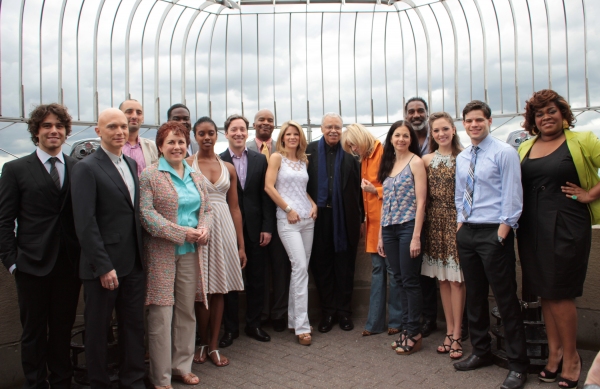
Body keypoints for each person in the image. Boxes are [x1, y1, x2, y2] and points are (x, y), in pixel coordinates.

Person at [517, 89, 600, 389]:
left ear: (563, 114)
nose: (546, 117)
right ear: (533, 121)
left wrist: (589, 194)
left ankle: (573, 358)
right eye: (539, 114)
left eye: (551, 111)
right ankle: (555, 354)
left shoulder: (583, 140)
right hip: (531, 227)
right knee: (544, 292)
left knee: (561, 292)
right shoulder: (525, 147)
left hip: (567, 225)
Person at [0, 104, 81, 389]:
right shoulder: (14, 169)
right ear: (36, 131)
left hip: (69, 265)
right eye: (46, 126)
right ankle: (35, 383)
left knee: (62, 329)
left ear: (66, 132)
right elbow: (4, 220)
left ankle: (62, 381)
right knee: (33, 332)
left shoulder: (78, 168)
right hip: (30, 265)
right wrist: (12, 261)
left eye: (59, 126)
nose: (53, 131)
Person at [453, 100, 529, 389]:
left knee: (506, 298)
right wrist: (461, 224)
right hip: (468, 233)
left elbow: (513, 194)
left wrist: (502, 232)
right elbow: (461, 193)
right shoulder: (463, 157)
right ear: (464, 123)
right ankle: (481, 351)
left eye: (479, 120)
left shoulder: (505, 152)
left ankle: (518, 365)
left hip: (494, 233)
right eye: (469, 121)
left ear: (489, 120)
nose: (474, 125)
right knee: (475, 296)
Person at [71, 108, 146, 388]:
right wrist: (103, 266)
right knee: (98, 330)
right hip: (103, 267)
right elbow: (85, 223)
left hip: (134, 263)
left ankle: (134, 380)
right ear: (98, 131)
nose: (119, 132)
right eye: (112, 126)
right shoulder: (86, 168)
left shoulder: (129, 164)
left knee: (133, 327)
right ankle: (98, 382)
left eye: (123, 127)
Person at [140, 121, 212, 388]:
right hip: (161, 253)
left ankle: (182, 365)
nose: (177, 146)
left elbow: (206, 210)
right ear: (160, 146)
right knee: (161, 313)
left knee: (185, 311)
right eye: (170, 142)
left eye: (181, 142)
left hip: (190, 253)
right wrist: (182, 232)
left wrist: (203, 228)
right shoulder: (149, 175)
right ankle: (160, 377)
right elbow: (146, 216)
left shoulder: (196, 175)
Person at [187, 117, 245, 367]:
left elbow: (235, 208)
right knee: (201, 291)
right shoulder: (187, 164)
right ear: (195, 136)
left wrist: (241, 245)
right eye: (202, 133)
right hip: (199, 230)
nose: (207, 137)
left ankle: (213, 345)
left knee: (219, 289)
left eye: (211, 133)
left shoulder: (228, 168)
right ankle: (200, 341)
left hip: (224, 230)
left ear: (217, 134)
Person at [341, 123, 403, 337]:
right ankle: (375, 323)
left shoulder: (385, 152)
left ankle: (396, 321)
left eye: (353, 145)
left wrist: (374, 189)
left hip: (390, 223)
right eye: (350, 147)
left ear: (361, 139)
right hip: (373, 225)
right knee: (379, 272)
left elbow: (400, 186)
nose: (353, 150)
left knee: (393, 273)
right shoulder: (365, 157)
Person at [219, 114, 275, 347]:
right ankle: (231, 329)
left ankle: (254, 324)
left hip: (256, 229)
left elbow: (266, 196)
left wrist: (267, 227)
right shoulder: (218, 160)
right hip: (228, 230)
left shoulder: (260, 160)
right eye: (234, 130)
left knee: (256, 280)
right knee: (230, 282)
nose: (239, 133)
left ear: (247, 131)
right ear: (227, 133)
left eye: (242, 129)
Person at [306, 112, 363, 333]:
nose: (333, 131)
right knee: (322, 266)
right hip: (317, 217)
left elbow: (358, 191)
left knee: (345, 267)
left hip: (345, 218)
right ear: (321, 128)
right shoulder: (308, 151)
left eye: (337, 127)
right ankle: (328, 312)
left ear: (342, 130)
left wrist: (361, 220)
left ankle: (344, 313)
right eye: (329, 127)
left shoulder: (350, 153)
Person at [264, 121, 318, 345]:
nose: (293, 137)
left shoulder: (303, 160)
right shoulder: (277, 157)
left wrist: (313, 204)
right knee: (299, 268)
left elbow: (301, 191)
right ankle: (302, 326)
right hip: (288, 220)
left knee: (301, 270)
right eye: (289, 134)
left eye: (296, 134)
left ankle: (295, 320)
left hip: (308, 219)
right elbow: (269, 187)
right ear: (283, 138)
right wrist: (288, 209)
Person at [376, 120, 426, 355]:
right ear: (391, 138)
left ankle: (414, 331)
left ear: (411, 139)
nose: (401, 140)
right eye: (397, 135)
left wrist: (416, 236)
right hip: (389, 229)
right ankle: (407, 330)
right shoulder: (388, 163)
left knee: (409, 280)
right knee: (398, 279)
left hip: (408, 228)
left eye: (406, 136)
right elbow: (384, 202)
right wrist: (380, 236)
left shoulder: (416, 163)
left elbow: (422, 202)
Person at [420, 112, 465, 360]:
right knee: (443, 281)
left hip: (457, 222)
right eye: (436, 131)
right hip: (434, 223)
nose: (441, 134)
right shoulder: (425, 160)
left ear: (454, 129)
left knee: (457, 280)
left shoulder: (464, 157)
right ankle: (449, 331)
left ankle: (458, 334)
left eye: (445, 129)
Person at [247, 109, 291, 333]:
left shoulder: (284, 150)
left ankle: (280, 314)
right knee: (259, 270)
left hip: (282, 215)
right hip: (255, 220)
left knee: (281, 267)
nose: (266, 123)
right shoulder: (244, 148)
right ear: (253, 124)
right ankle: (261, 314)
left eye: (270, 120)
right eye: (261, 120)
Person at [404, 97, 439, 338]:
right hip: (412, 215)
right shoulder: (402, 140)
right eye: (411, 112)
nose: (416, 115)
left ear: (427, 113)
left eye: (420, 111)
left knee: (450, 271)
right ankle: (427, 319)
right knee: (420, 271)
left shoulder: (438, 137)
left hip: (439, 213)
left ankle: (462, 323)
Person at [120, 99, 159, 176]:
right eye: (129, 112)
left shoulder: (152, 147)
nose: (134, 116)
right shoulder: (111, 146)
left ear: (143, 118)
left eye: (139, 113)